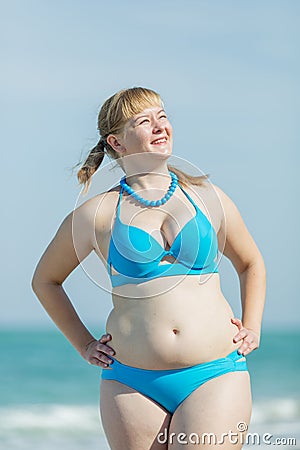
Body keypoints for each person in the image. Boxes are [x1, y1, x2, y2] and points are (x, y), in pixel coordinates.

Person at [31, 87, 266, 449]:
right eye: (144, 121)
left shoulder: (209, 197)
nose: (160, 126)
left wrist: (253, 326)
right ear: (117, 142)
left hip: (215, 372)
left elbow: (250, 262)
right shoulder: (97, 214)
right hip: (130, 382)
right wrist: (84, 344)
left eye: (162, 116)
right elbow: (45, 280)